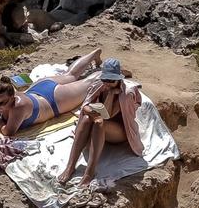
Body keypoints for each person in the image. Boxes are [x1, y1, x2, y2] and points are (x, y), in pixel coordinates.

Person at [0, 48, 104, 137]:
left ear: (12, 97)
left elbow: (8, 132)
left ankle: (111, 72)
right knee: (69, 75)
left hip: (54, 100)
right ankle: (94, 54)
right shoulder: (0, 97)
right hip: (39, 88)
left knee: (88, 84)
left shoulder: (18, 107)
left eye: (1, 103)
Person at [58, 57, 143, 188]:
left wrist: (110, 94)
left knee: (99, 122)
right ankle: (70, 166)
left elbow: (107, 115)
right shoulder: (99, 85)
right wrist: (90, 111)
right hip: (101, 122)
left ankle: (90, 171)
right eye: (105, 79)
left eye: (111, 80)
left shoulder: (126, 94)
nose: (107, 83)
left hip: (120, 131)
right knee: (86, 119)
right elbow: (85, 106)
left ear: (118, 79)